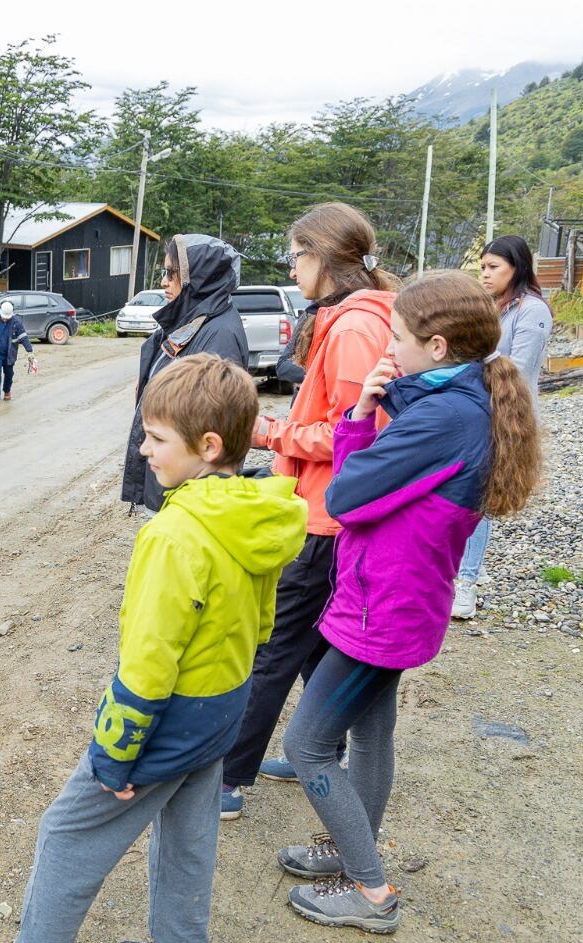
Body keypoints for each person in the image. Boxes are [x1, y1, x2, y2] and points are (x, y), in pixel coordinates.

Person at [0, 356, 307, 943]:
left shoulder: (173, 535)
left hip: (166, 722)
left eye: (155, 437)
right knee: (190, 835)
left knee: (68, 833)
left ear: (206, 448)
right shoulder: (260, 515)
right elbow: (263, 627)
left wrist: (116, 754)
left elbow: (147, 667)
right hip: (222, 708)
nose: (142, 449)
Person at [280, 271, 542, 933]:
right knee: (370, 739)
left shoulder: (443, 417)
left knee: (309, 746)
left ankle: (370, 892)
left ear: (436, 344)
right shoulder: (456, 401)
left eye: (397, 337)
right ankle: (349, 850)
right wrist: (377, 406)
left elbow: (345, 498)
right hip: (402, 601)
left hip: (382, 609)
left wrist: (358, 417)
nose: (387, 349)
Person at [220, 202, 400, 817]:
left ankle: (228, 777)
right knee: (316, 646)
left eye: (296, 255)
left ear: (321, 256)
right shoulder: (362, 316)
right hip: (329, 514)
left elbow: (357, 433)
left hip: (323, 517)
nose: (292, 267)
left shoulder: (352, 328)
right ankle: (318, 747)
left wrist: (273, 435)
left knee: (273, 649)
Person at [452, 235, 553, 620]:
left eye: (494, 267)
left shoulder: (533, 311)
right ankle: (464, 572)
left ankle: (467, 584)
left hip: (508, 418)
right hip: (480, 410)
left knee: (480, 500)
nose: (486, 274)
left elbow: (518, 370)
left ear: (518, 267)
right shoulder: (492, 306)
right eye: (483, 267)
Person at [120, 234, 248, 513]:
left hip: (189, 493)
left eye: (171, 273)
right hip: (174, 481)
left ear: (198, 278)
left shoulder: (219, 334)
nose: (164, 281)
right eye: (163, 272)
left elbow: (215, 425)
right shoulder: (190, 321)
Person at [0, 299, 32, 404]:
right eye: (4, 316)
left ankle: (7, 390)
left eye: (7, 317)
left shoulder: (16, 323)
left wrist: (30, 351)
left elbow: (24, 337)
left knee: (9, 374)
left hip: (10, 354)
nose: (5, 319)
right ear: (0, 312)